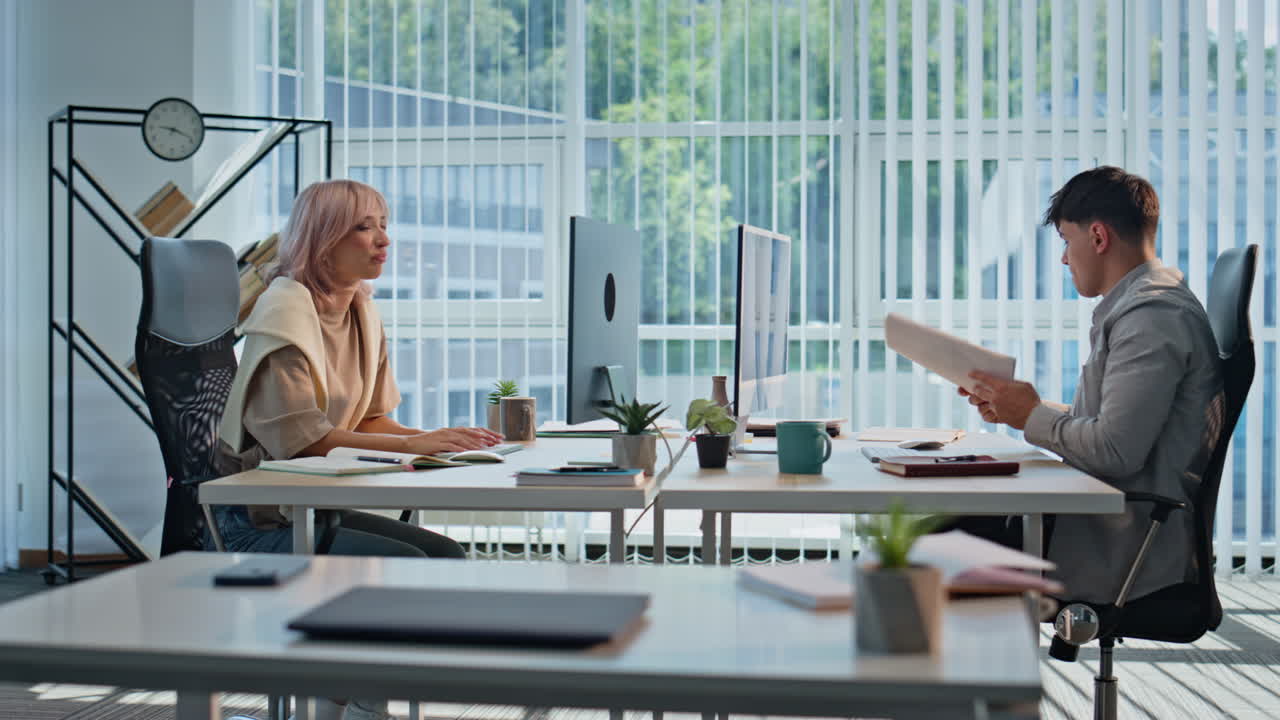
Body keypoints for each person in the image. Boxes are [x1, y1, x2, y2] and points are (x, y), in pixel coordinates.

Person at [958, 166, 1223, 606]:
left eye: (1066, 241)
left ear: (1098, 237)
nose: (1064, 258)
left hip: (1124, 546)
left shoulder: (1151, 318)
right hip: (1106, 521)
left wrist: (1029, 415)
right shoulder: (1143, 306)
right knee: (955, 526)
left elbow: (1115, 451)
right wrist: (1025, 407)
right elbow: (1111, 426)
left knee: (937, 544)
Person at [212, 178, 502, 558]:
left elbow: (369, 419)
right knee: (413, 563)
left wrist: (445, 444)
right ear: (322, 242)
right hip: (255, 518)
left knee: (447, 555)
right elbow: (304, 442)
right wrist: (411, 445)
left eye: (384, 224)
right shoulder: (283, 313)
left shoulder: (361, 312)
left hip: (309, 508)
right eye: (364, 227)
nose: (384, 239)